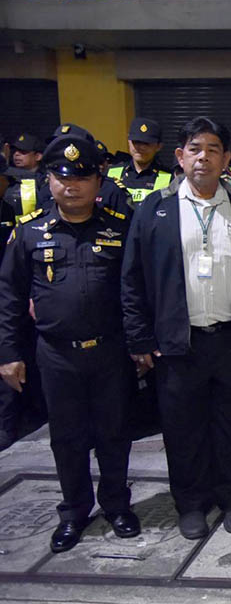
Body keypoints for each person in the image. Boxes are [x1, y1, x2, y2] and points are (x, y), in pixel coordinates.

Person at [122, 116, 231, 541]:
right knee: (183, 429)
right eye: (195, 149)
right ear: (180, 157)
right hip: (177, 344)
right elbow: (132, 279)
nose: (204, 157)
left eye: (213, 149)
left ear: (226, 159)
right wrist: (140, 338)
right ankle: (191, 503)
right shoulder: (155, 209)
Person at [0, 135, 139, 552]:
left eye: (81, 177)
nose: (71, 186)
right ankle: (75, 511)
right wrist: (8, 354)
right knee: (67, 437)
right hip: (56, 354)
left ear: (98, 181)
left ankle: (116, 504)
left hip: (111, 351)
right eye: (62, 177)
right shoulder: (30, 233)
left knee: (115, 433)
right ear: (49, 180)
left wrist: (140, 343)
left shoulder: (119, 228)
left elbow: (136, 291)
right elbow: (9, 298)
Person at [106, 117, 172, 208]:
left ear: (159, 146)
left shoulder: (169, 178)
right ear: (128, 141)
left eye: (146, 143)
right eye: (136, 142)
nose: (140, 147)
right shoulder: (110, 173)